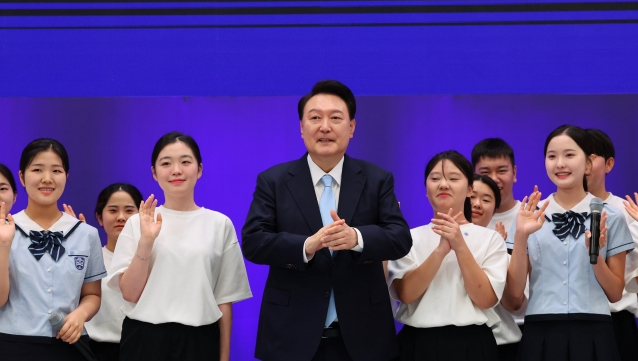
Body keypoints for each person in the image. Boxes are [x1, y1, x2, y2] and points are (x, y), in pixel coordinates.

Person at [242, 79, 412, 361]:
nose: (325, 127)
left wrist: (356, 239)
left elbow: (400, 237)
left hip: (362, 339)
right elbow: (253, 241)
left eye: (335, 118)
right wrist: (307, 245)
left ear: (352, 127)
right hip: (291, 335)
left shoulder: (377, 179)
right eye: (315, 118)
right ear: (301, 127)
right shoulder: (273, 181)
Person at [106, 132, 252, 361]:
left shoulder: (219, 224)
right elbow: (130, 293)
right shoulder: (137, 223)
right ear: (154, 172)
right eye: (166, 163)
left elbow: (224, 300)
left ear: (199, 169)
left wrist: (224, 357)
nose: (176, 170)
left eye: (185, 162)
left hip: (200, 340)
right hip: (145, 339)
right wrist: (146, 241)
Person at [504, 124, 633, 361]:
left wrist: (594, 258)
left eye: (569, 155)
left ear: (587, 163)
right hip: (540, 330)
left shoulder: (610, 216)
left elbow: (615, 293)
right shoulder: (528, 216)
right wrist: (521, 237)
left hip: (595, 330)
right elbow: (513, 296)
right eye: (552, 156)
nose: (560, 163)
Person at [388, 151, 508, 361]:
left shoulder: (491, 239)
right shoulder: (408, 238)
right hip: (418, 343)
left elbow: (486, 299)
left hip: (473, 343)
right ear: (426, 189)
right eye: (435, 179)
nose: (443, 184)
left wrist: (459, 244)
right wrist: (440, 251)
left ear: (470, 189)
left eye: (453, 178)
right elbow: (405, 294)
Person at [0, 138, 106, 360]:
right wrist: (3, 246)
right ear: (22, 177)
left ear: (66, 176)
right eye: (37, 169)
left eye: (56, 170)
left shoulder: (86, 234)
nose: (47, 178)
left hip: (70, 344)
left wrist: (81, 314)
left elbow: (93, 294)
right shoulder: (4, 231)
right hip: (12, 344)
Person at [585, 128, 638, 360]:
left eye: (590, 157)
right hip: (570, 319)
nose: (583, 165)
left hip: (616, 322)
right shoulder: (553, 211)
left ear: (609, 164)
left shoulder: (627, 213)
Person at [83, 183, 142, 361]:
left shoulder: (148, 261)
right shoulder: (90, 259)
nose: (121, 217)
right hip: (95, 351)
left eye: (129, 210)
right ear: (99, 218)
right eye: (113, 210)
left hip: (142, 348)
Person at [471, 174, 522, 360]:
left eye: (486, 200)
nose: (477, 204)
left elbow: (516, 303)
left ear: (494, 210)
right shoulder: (438, 240)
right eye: (472, 197)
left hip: (502, 344)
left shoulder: (499, 247)